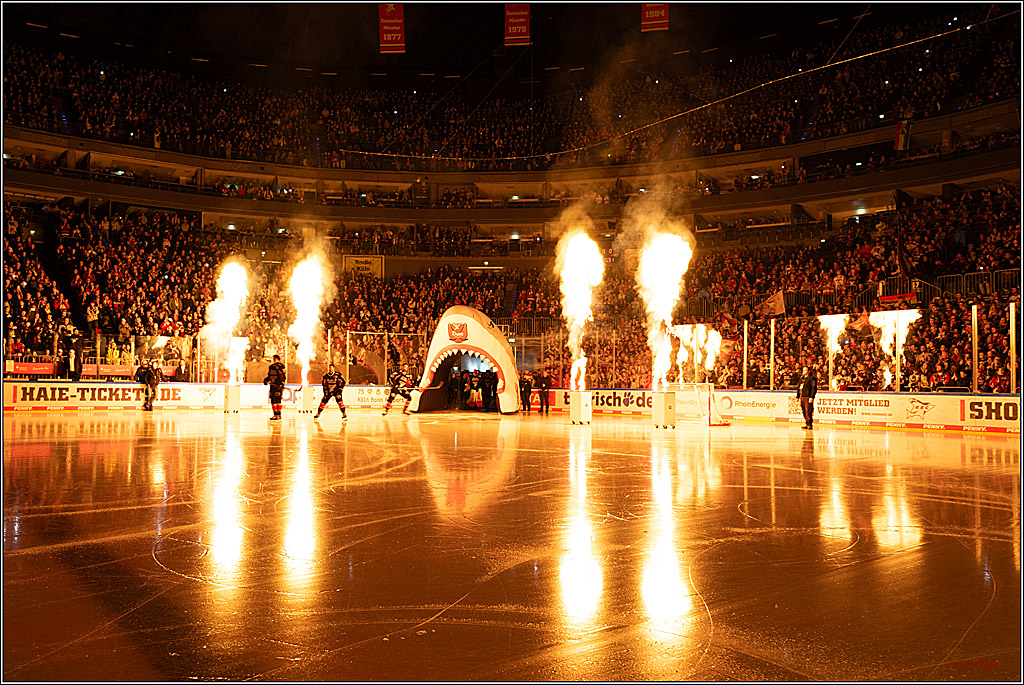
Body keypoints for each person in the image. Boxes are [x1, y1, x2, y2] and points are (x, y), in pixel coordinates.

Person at [263, 354, 286, 420]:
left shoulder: (272, 367)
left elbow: (271, 376)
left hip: (274, 386)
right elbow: (283, 377)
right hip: (281, 386)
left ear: (274, 359)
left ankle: (275, 415)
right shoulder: (282, 366)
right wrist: (282, 384)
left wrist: (266, 380)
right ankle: (279, 415)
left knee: (273, 400)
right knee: (279, 400)